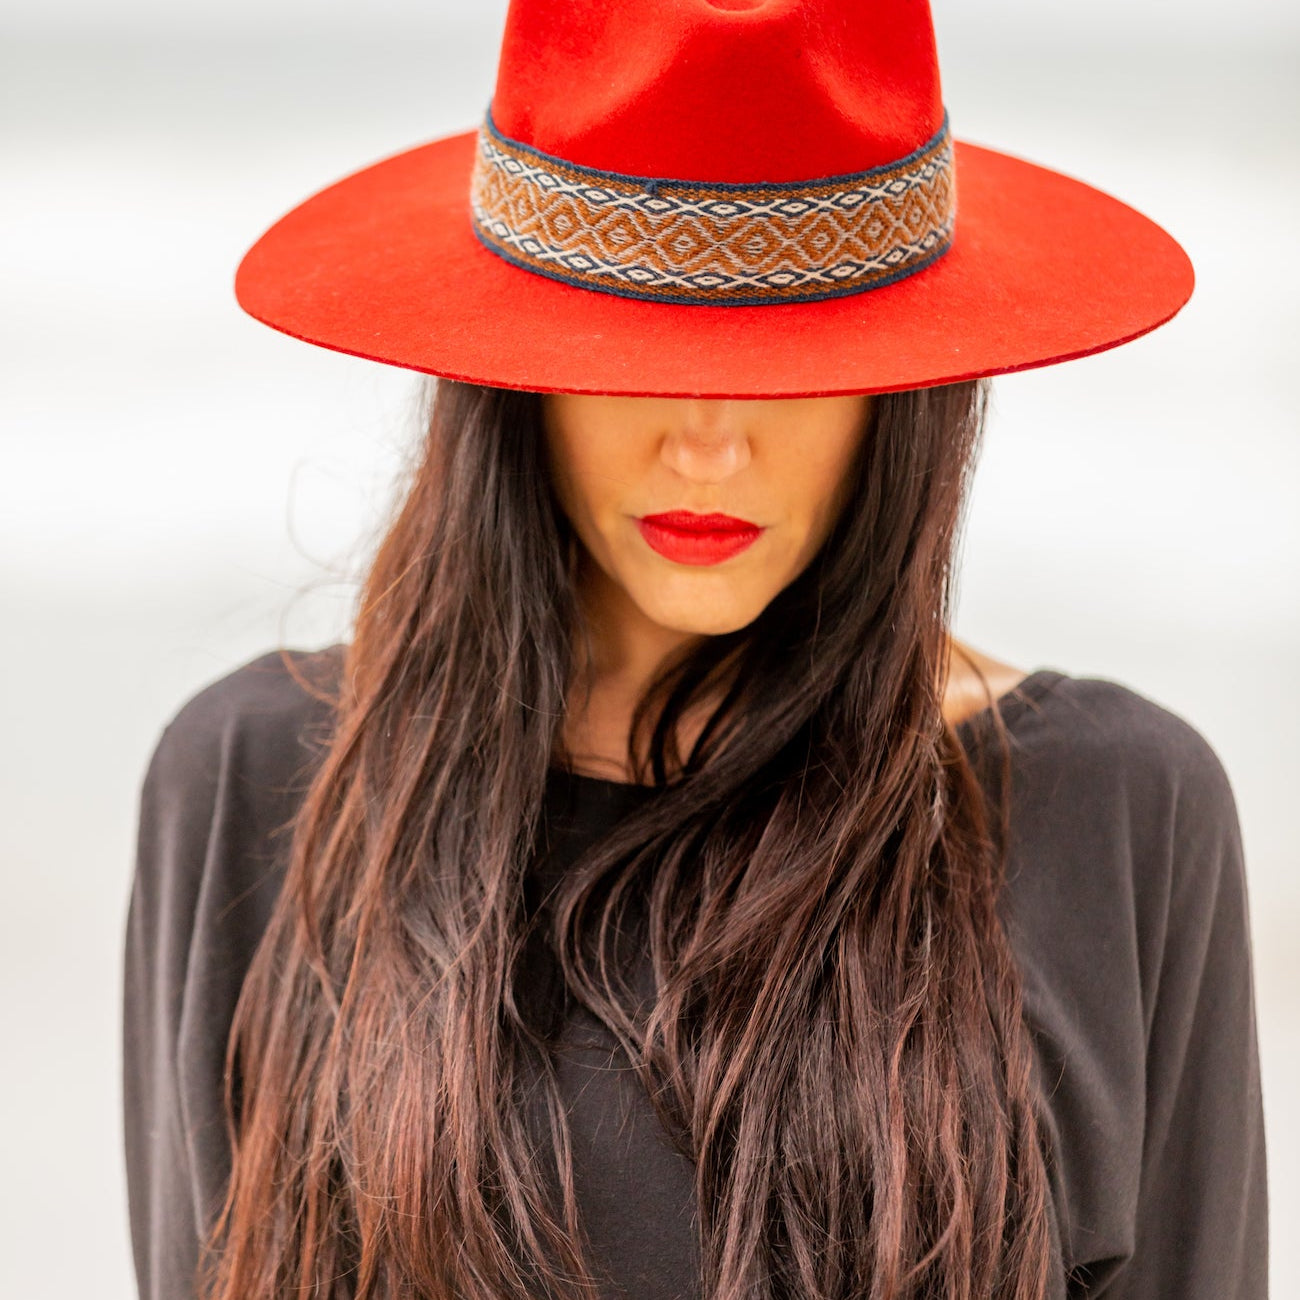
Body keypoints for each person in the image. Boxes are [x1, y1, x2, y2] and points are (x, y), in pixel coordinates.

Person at [121, 1, 1268, 1298]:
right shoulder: (259, 782)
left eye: (796, 351)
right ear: (511, 370)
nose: (709, 443)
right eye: (634, 344)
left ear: (908, 387)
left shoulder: (1114, 812)